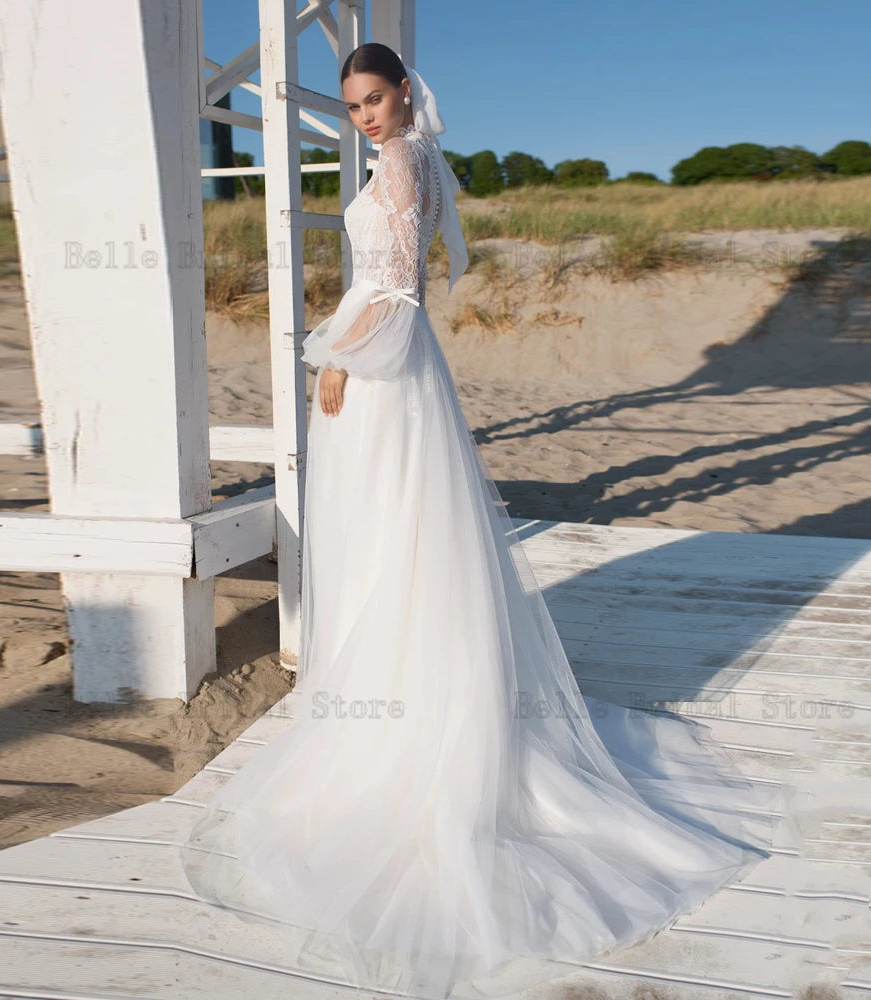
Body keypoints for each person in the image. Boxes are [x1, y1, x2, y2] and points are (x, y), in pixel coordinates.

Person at [179, 43, 801, 999]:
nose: (365, 117)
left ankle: (412, 728)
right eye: (351, 107)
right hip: (403, 359)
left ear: (402, 94)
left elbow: (390, 289)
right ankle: (418, 692)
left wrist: (338, 361)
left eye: (375, 99)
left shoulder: (398, 166)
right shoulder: (423, 159)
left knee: (398, 531)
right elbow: (416, 281)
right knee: (414, 534)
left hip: (382, 363)